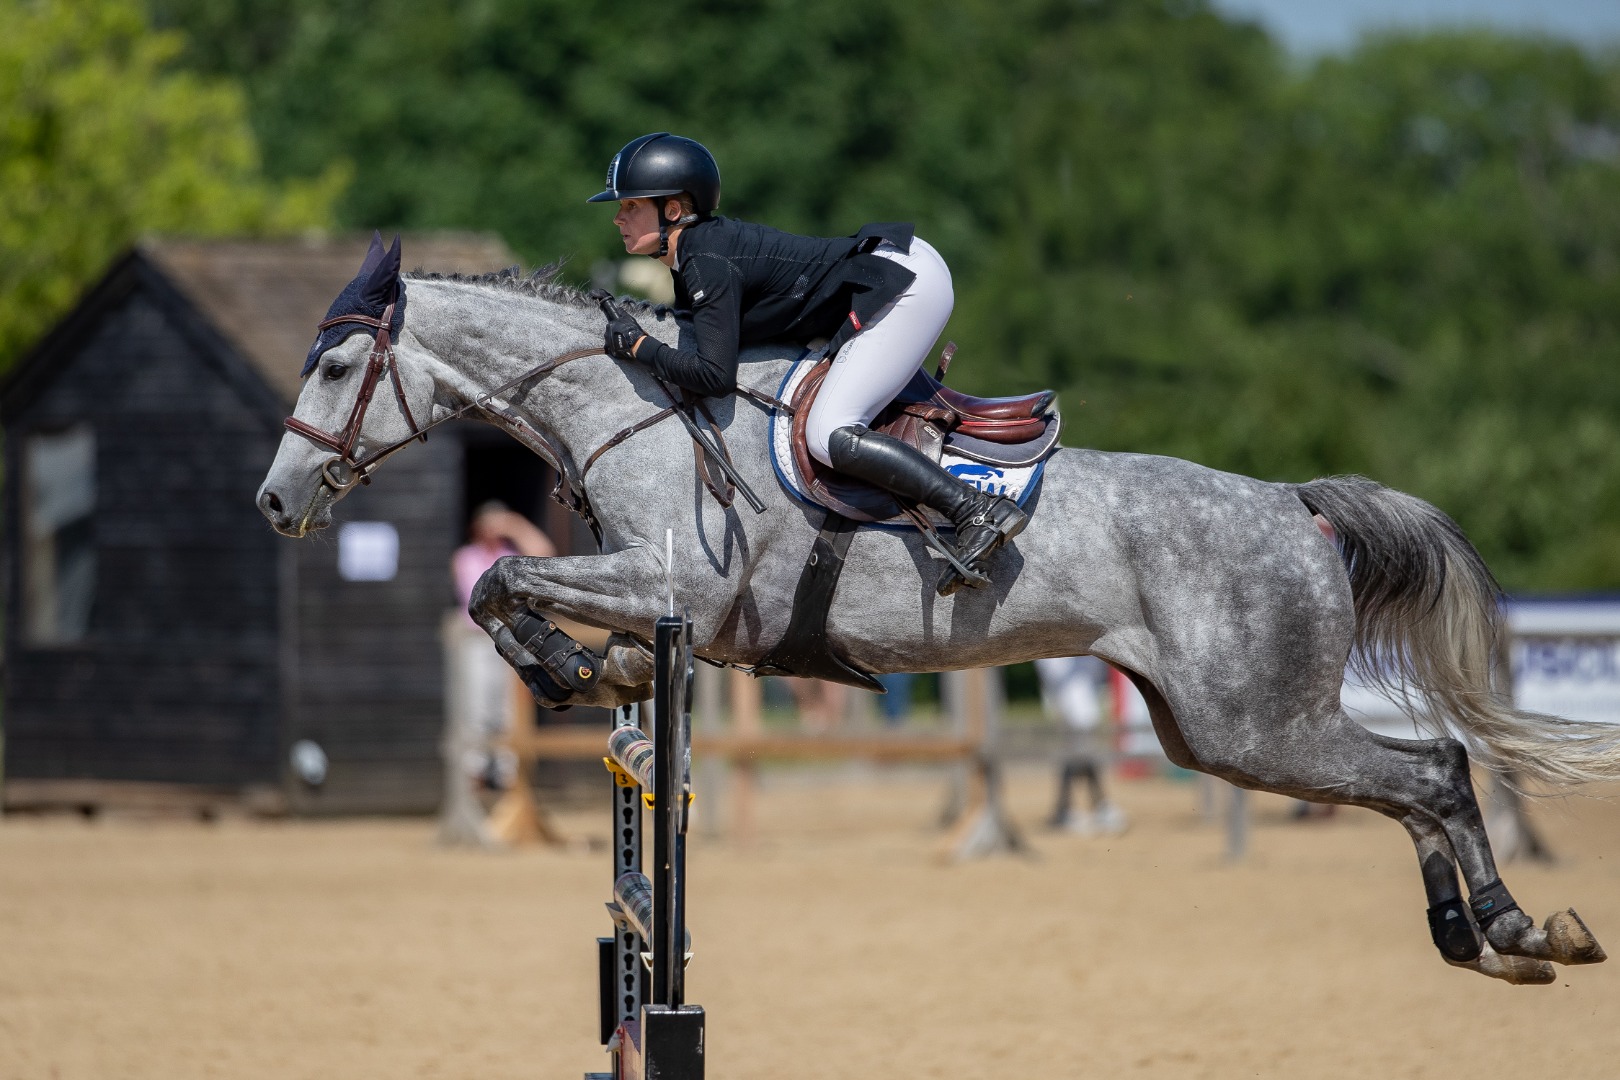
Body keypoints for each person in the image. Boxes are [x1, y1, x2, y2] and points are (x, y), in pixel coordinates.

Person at [588, 132, 1027, 596]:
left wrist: (640, 347)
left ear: (673, 210)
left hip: (902, 286)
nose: (618, 217)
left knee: (828, 433)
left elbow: (715, 377)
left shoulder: (705, 259)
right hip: (895, 268)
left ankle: (976, 509)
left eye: (631, 205)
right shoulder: (694, 257)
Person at [448, 502, 557, 791]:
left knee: (510, 708)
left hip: (510, 637)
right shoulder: (466, 556)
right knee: (478, 706)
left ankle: (508, 775)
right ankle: (476, 773)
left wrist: (515, 525)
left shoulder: (510, 555)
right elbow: (477, 596)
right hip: (479, 639)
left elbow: (546, 554)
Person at [1036, 656, 1127, 836]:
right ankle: (1096, 806)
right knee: (1082, 754)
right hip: (1072, 699)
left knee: (1078, 755)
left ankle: (1069, 808)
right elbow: (1054, 671)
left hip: (1080, 697)